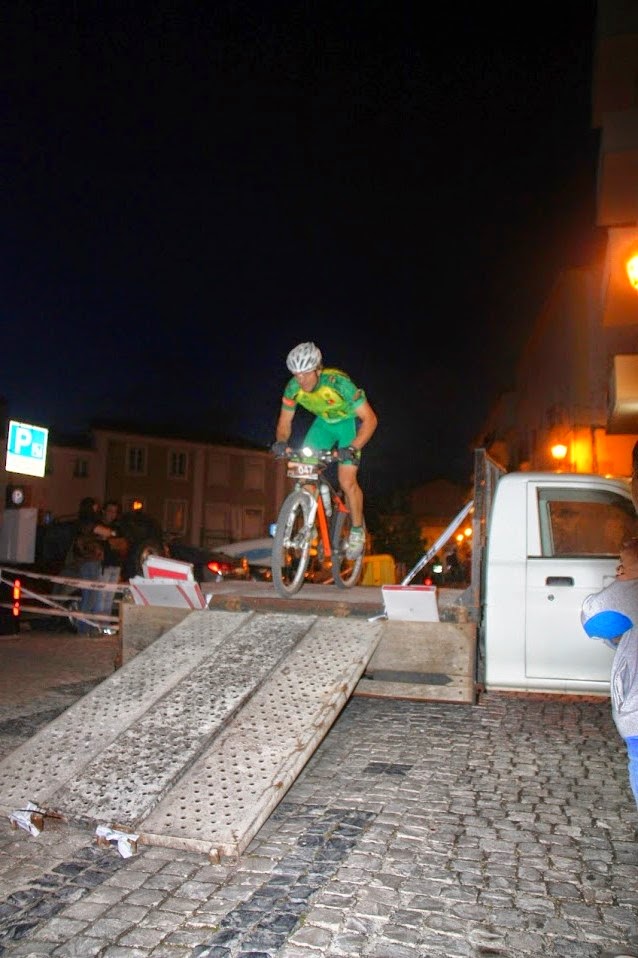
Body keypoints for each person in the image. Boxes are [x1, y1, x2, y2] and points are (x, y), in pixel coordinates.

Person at [272, 341, 378, 559]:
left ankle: (357, 531)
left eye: (305, 374)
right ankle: (309, 524)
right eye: (296, 374)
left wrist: (352, 447)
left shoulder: (339, 384)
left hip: (349, 423)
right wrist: (281, 442)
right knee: (304, 472)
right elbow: (284, 422)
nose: (300, 380)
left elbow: (371, 420)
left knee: (346, 481)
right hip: (324, 425)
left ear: (318, 370)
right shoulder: (292, 388)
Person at [581, 535, 638, 812]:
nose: (618, 569)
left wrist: (627, 580)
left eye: (622, 564)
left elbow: (594, 618)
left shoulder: (632, 591)